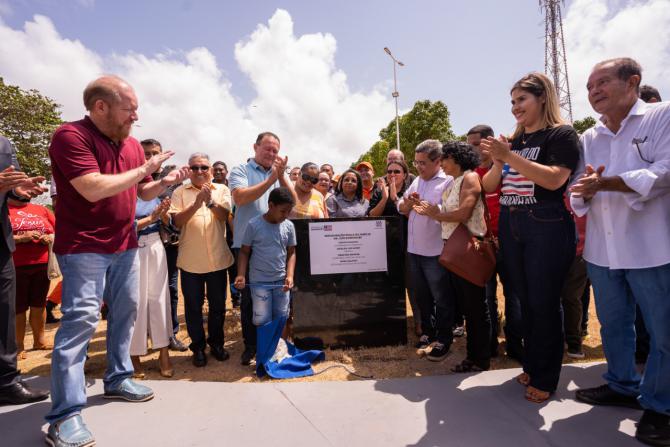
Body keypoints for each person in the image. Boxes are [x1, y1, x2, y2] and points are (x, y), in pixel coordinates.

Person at [45, 75, 189, 446]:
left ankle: (117, 377)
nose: (136, 117)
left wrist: (165, 181)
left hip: (124, 243)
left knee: (127, 310)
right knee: (80, 321)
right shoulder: (70, 137)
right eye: (130, 109)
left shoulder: (129, 145)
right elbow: (91, 187)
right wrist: (145, 169)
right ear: (100, 107)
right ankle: (64, 415)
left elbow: (139, 190)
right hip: (83, 247)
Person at [569, 57, 670, 446]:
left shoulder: (661, 117)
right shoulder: (589, 137)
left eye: (602, 82)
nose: (594, 91)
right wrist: (585, 191)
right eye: (590, 85)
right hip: (602, 249)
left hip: (652, 248)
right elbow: (578, 187)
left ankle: (661, 406)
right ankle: (622, 384)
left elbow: (665, 172)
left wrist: (607, 183)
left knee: (663, 334)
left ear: (633, 82)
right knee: (613, 325)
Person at [480, 72, 579, 403]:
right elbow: (490, 186)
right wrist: (499, 160)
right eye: (512, 102)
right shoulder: (515, 141)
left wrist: (509, 157)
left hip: (546, 225)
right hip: (512, 224)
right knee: (524, 301)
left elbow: (554, 181)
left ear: (542, 98)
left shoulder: (561, 134)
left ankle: (547, 377)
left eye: (521, 100)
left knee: (544, 302)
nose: (515, 108)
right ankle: (534, 365)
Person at [415, 141, 492, 372]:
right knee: (468, 307)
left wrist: (436, 214)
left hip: (467, 250)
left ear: (456, 159)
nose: (442, 164)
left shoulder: (469, 178)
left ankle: (479, 359)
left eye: (444, 159)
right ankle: (476, 356)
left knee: (475, 308)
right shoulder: (454, 182)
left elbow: (464, 213)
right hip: (454, 250)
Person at [229, 132, 294, 365]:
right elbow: (240, 198)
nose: (272, 154)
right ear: (255, 147)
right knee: (249, 302)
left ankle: (274, 344)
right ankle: (251, 347)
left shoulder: (279, 175)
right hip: (247, 247)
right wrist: (270, 180)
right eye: (267, 149)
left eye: (275, 150)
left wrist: (282, 177)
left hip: (274, 246)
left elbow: (293, 203)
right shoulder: (239, 170)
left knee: (275, 302)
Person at [170, 152, 234, 367]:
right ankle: (198, 347)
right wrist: (196, 203)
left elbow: (225, 217)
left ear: (210, 170)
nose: (199, 171)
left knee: (217, 307)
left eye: (203, 167)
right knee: (193, 309)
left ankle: (216, 344)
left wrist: (210, 202)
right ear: (188, 170)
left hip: (217, 260)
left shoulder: (222, 190)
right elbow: (177, 222)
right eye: (195, 167)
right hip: (191, 262)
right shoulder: (179, 192)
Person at [0, 135, 50, 406]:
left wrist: (20, 190)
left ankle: (7, 383)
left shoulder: (4, 144)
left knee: (6, 314)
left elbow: (10, 188)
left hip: (2, 244)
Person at [398, 140, 454, 362]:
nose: (418, 167)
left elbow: (452, 211)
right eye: (416, 162)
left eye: (423, 163)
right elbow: (401, 208)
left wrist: (435, 210)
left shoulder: (448, 181)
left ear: (437, 161)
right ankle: (427, 333)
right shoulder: (417, 182)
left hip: (436, 252)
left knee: (441, 298)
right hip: (414, 250)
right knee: (422, 297)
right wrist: (409, 204)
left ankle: (444, 339)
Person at [467, 124, 519, 360]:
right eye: (470, 146)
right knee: (486, 298)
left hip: (511, 244)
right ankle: (489, 347)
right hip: (482, 246)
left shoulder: (512, 168)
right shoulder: (470, 175)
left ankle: (516, 345)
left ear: (489, 142)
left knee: (515, 296)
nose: (473, 150)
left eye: (476, 144)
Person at [130, 148, 174, 378]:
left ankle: (163, 352)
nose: (150, 158)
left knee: (158, 300)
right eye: (146, 154)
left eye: (154, 154)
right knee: (135, 302)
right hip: (131, 249)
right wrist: (151, 218)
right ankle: (134, 356)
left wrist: (164, 217)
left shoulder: (158, 191)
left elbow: (170, 226)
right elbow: (122, 227)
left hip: (155, 245)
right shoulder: (125, 189)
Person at [234, 187, 296, 334]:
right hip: (259, 282)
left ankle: (279, 351)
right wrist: (241, 274)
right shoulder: (254, 225)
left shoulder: (289, 226)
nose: (286, 215)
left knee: (281, 317)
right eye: (283, 211)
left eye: (289, 211)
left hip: (282, 282)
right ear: (271, 206)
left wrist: (290, 275)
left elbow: (292, 252)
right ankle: (265, 352)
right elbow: (244, 252)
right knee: (262, 319)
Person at [8, 196, 55, 359]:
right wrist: (21, 238)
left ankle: (39, 341)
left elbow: (57, 230)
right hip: (15, 266)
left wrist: (50, 238)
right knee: (18, 307)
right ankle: (18, 346)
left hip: (42, 265)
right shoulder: (4, 209)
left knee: (39, 304)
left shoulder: (41, 210)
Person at [153, 160, 188, 352]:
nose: (176, 179)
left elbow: (179, 223)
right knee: (149, 293)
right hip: (146, 246)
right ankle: (148, 333)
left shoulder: (182, 193)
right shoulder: (150, 190)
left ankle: (171, 333)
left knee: (171, 290)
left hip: (171, 247)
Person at [212, 160, 242, 308]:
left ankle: (236, 299)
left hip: (232, 234)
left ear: (226, 171)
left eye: (221, 170)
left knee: (234, 268)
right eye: (215, 170)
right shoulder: (208, 188)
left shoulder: (234, 187)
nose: (218, 172)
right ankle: (219, 301)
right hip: (215, 234)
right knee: (218, 271)